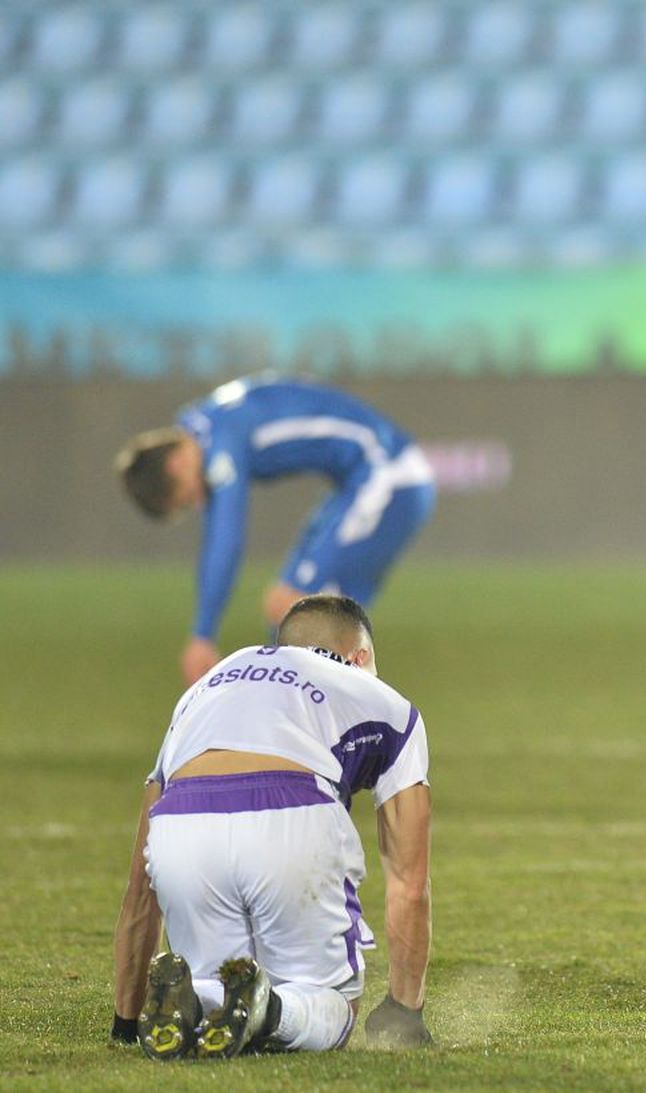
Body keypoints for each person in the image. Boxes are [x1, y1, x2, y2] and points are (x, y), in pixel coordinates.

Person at [110, 594, 433, 1059]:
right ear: (359, 657)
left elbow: (140, 889)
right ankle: (272, 1010)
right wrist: (406, 1008)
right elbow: (409, 882)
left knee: (219, 990)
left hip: (182, 826)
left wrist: (125, 1021)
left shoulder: (206, 688)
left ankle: (186, 1002)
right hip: (290, 813)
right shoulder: (383, 700)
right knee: (335, 1007)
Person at [115, 374, 437, 686]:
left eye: (187, 496)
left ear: (176, 464)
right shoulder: (206, 424)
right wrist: (204, 631)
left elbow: (225, 539)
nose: (199, 501)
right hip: (364, 480)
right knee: (289, 620)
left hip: (390, 476)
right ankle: (317, 731)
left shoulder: (220, 443)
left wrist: (203, 634)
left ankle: (365, 730)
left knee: (301, 613)